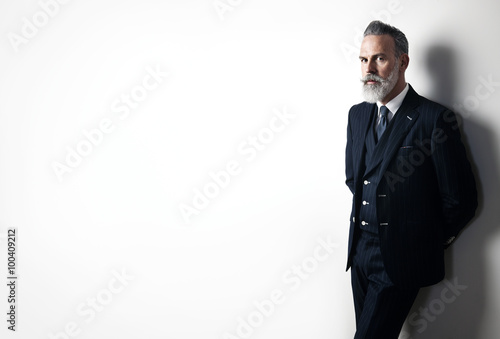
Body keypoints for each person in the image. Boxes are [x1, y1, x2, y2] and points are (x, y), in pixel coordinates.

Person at [344, 20, 478, 338]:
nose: (369, 68)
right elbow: (354, 178)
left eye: (379, 58)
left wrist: (424, 239)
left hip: (400, 258)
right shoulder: (357, 114)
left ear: (403, 60)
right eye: (364, 59)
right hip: (359, 254)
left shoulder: (433, 118)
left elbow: (460, 199)